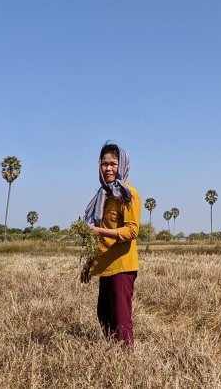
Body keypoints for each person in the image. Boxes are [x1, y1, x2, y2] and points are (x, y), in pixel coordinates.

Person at [81, 142, 141, 346]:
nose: (108, 168)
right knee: (104, 315)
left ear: (122, 165)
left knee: (121, 321)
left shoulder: (128, 194)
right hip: (106, 266)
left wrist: (97, 230)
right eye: (104, 164)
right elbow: (97, 238)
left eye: (113, 164)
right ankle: (114, 356)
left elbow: (132, 231)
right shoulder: (103, 196)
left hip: (122, 266)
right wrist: (89, 263)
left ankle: (126, 360)